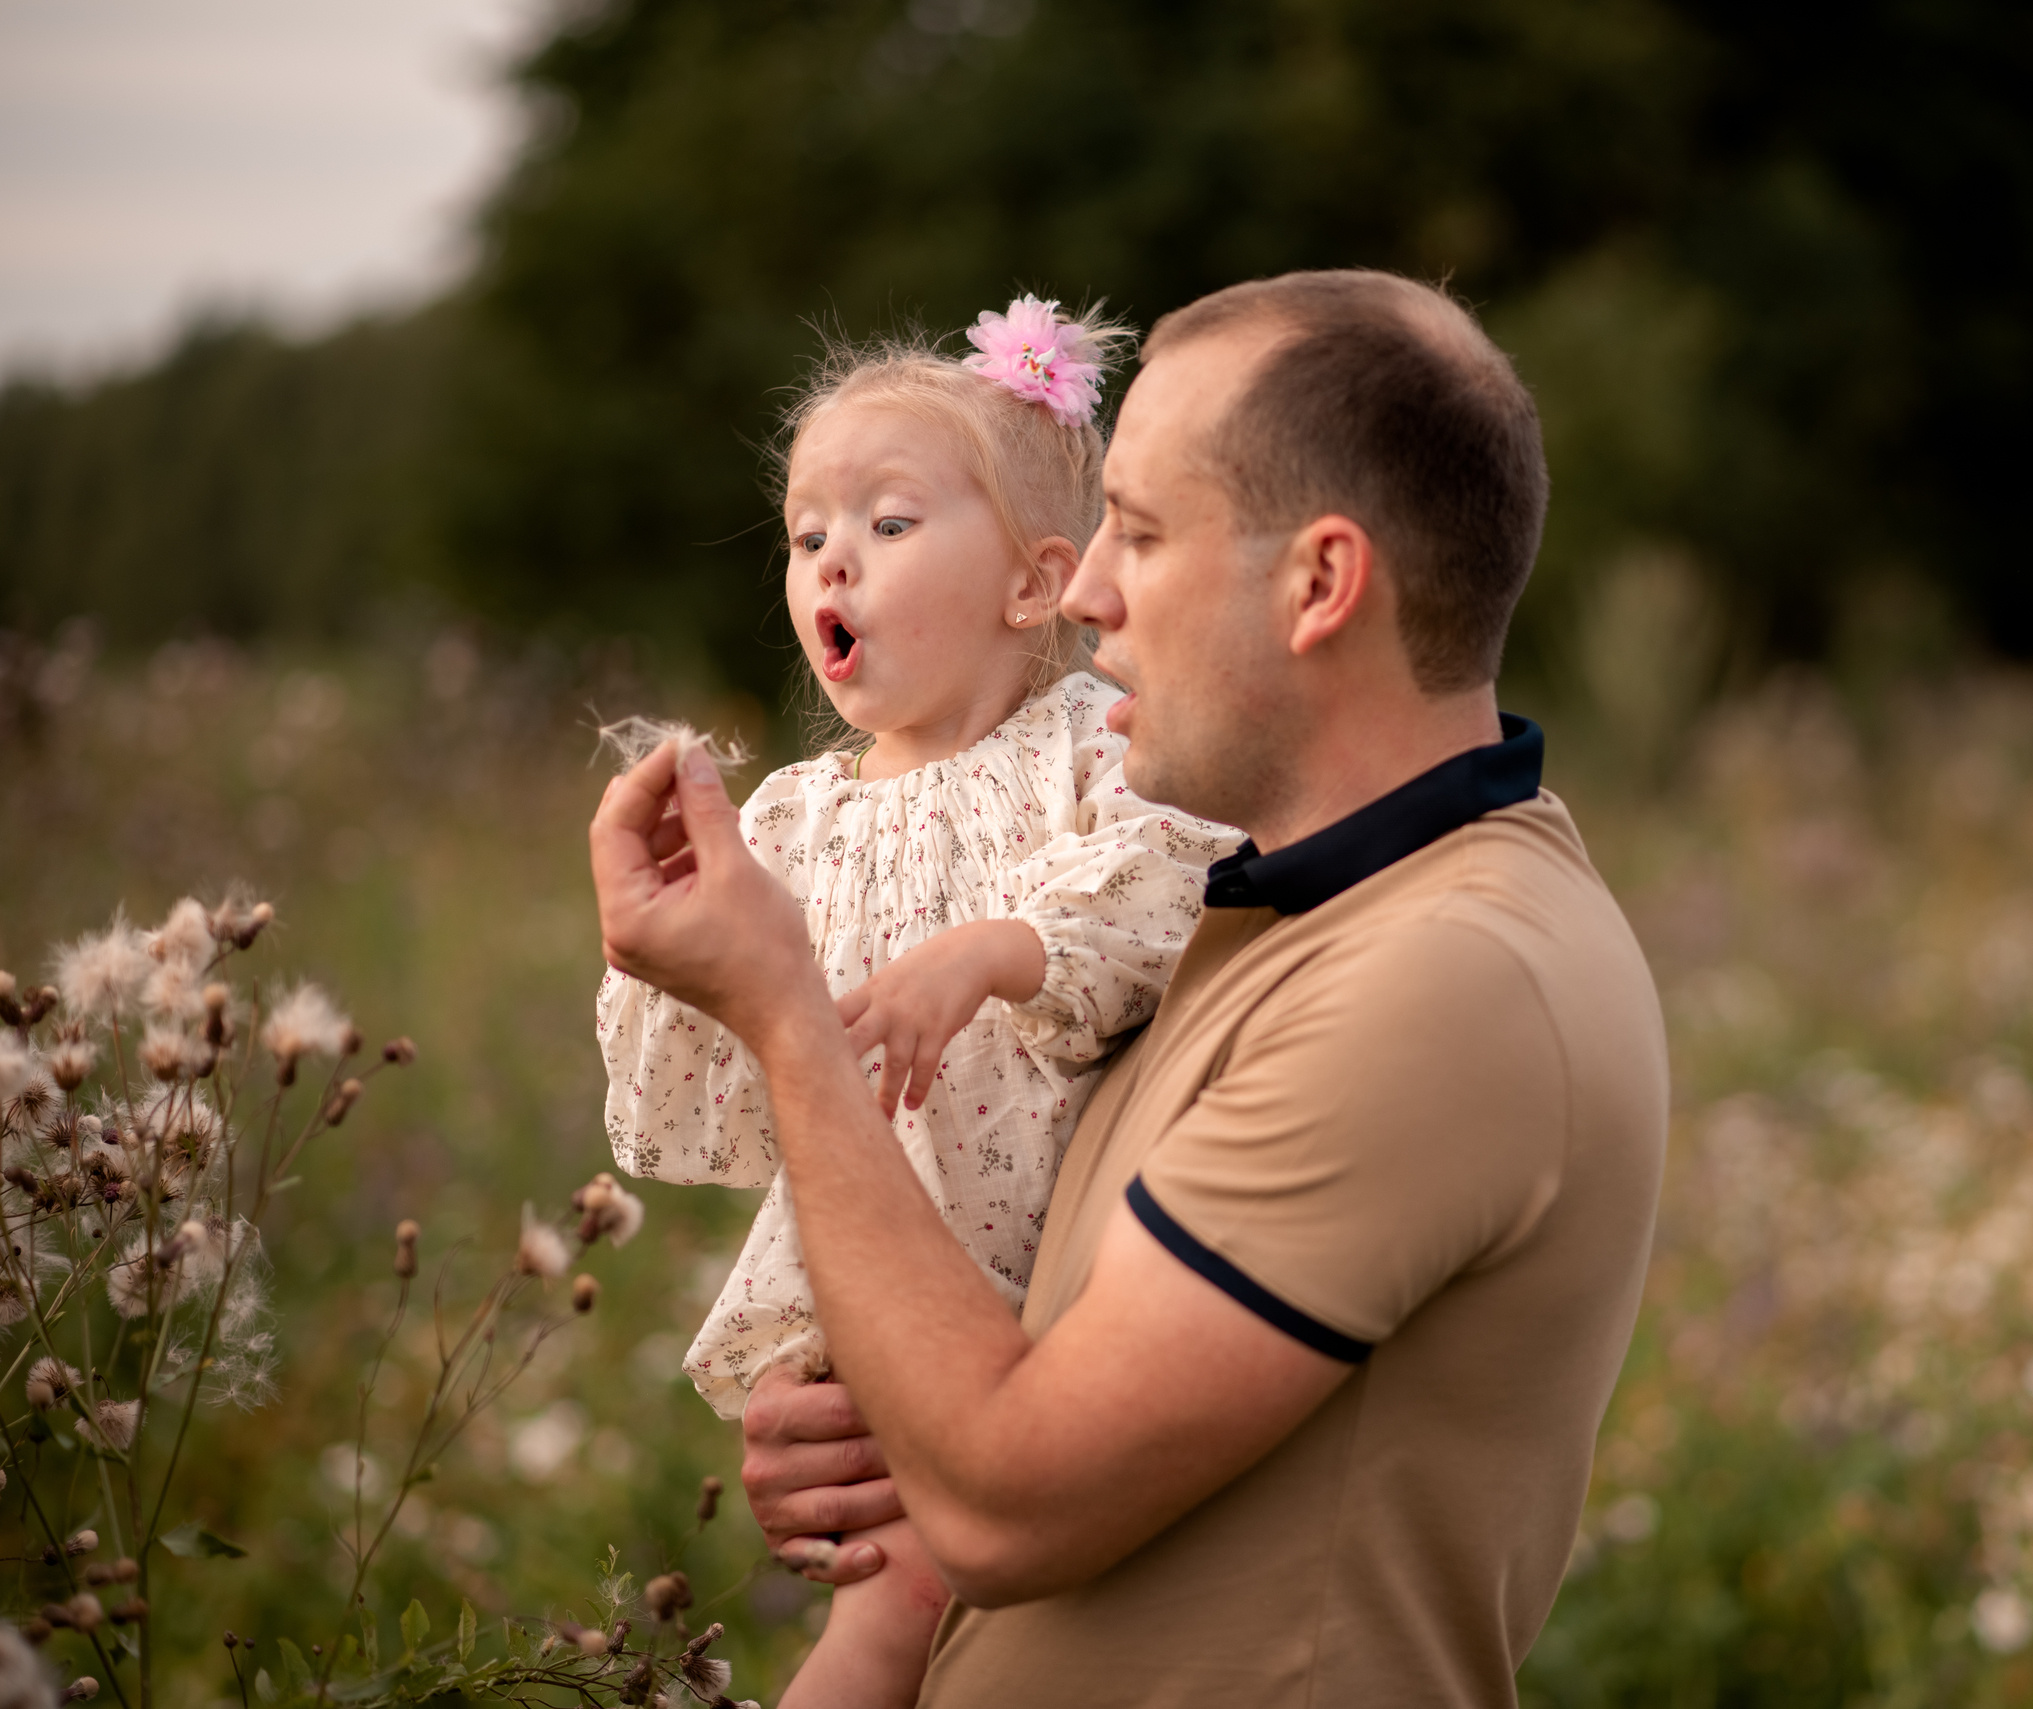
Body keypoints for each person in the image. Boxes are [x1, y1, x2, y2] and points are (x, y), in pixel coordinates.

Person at [591, 269, 1669, 1707]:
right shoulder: (1269, 902)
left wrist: (790, 1019)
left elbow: (1004, 1500)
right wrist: (873, 1413)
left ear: (1321, 583)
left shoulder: (1446, 977)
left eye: (1141, 534)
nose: (1083, 587)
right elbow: (1017, 1356)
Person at [594, 298, 1235, 1709]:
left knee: (946, 1603)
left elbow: (1168, 872)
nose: (833, 556)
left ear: (1031, 583)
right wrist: (659, 952)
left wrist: (997, 947)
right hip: (881, 1262)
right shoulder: (793, 815)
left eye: (888, 523)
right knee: (895, 1605)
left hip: (1060, 1267)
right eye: (805, 529)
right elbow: (722, 1075)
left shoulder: (1084, 746)